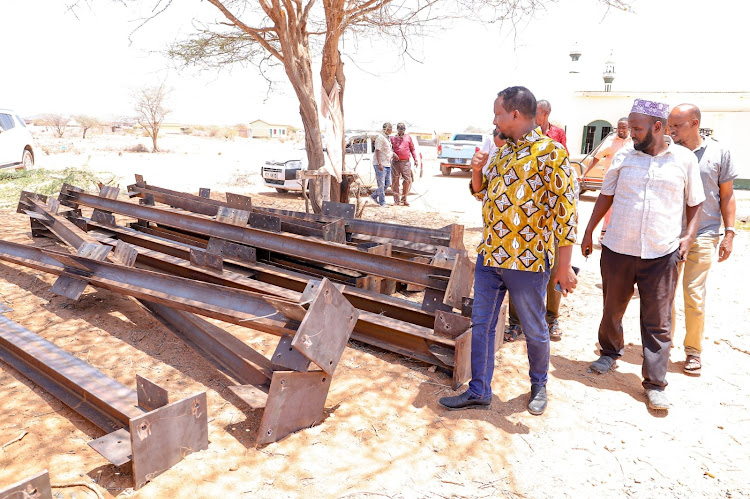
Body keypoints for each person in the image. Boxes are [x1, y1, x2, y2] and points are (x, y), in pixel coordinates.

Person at [438, 86, 578, 416]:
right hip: (491, 257)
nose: (494, 119)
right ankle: (479, 390)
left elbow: (566, 214)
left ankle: (539, 385)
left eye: (498, 113)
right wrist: (476, 170)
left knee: (533, 328)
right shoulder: (502, 153)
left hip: (527, 262)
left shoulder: (551, 153)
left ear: (515, 114)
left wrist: (564, 266)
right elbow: (481, 194)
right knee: (482, 325)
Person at [581, 99, 705, 411]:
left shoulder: (684, 160)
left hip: (661, 252)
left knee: (657, 320)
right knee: (612, 309)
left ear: (658, 127)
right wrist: (588, 231)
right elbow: (605, 195)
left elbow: (695, 201)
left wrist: (689, 236)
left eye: (637, 128)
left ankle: (655, 383)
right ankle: (609, 352)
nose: (631, 133)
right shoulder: (623, 155)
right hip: (618, 248)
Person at [667, 103, 737, 375]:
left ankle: (693, 351)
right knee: (665, 296)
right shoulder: (667, 152)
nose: (671, 130)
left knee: (694, 295)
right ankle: (663, 346)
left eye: (677, 126)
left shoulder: (719, 152)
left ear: (695, 123)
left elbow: (727, 195)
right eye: (670, 125)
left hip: (705, 233)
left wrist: (729, 233)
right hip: (670, 235)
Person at [504, 99, 570, 342]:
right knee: (517, 267)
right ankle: (515, 321)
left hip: (549, 218)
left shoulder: (557, 137)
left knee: (553, 269)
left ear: (546, 114)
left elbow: (561, 176)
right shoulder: (518, 138)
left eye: (540, 114)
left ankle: (552, 318)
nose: (536, 118)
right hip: (522, 220)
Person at [582, 117, 632, 240]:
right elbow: (596, 158)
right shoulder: (610, 141)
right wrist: (584, 174)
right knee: (607, 208)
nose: (620, 130)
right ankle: (604, 236)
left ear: (629, 128)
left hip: (627, 182)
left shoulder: (633, 141)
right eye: (619, 127)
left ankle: (620, 236)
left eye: (623, 128)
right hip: (611, 181)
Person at [390, 122, 419, 206]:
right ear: (397, 129)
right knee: (395, 181)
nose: (402, 131)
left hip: (405, 162)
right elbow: (389, 149)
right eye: (400, 129)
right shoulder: (393, 138)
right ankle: (396, 200)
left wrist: (415, 159)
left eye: (403, 129)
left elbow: (412, 149)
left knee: (407, 180)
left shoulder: (408, 137)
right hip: (395, 163)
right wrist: (393, 154)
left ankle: (404, 199)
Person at [370, 122, 393, 207]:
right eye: (390, 129)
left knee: (387, 183)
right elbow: (377, 151)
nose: (391, 130)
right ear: (388, 129)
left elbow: (387, 150)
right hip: (380, 164)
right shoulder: (380, 138)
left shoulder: (387, 138)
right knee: (381, 183)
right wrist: (379, 163)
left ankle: (374, 196)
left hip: (387, 164)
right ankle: (382, 202)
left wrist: (393, 155)